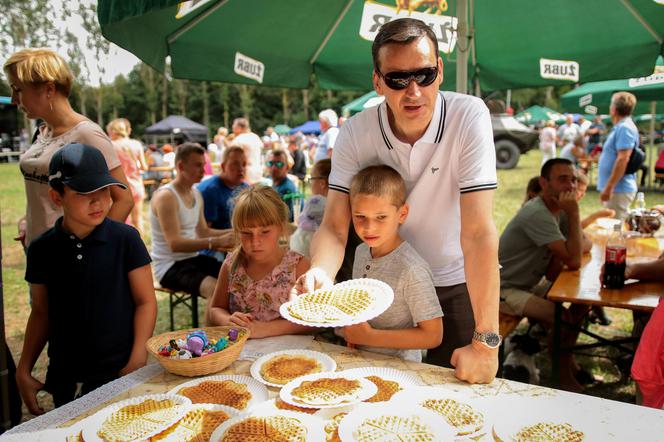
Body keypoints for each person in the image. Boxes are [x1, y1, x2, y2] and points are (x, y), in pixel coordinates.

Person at [294, 18, 500, 384]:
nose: (414, 91)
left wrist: (486, 344)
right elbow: (335, 226)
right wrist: (321, 272)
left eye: (424, 75)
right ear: (377, 81)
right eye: (397, 79)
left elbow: (479, 233)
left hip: (452, 281)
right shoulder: (356, 132)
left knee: (455, 404)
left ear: (440, 70)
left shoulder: (468, 116)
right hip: (381, 289)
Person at [18, 143, 157, 413]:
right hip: (65, 376)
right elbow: (41, 311)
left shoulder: (125, 239)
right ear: (57, 197)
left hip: (120, 371)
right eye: (84, 192)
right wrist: (24, 368)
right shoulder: (41, 249)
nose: (99, 201)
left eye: (104, 190)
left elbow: (145, 302)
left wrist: (138, 357)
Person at [3, 48, 133, 247]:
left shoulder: (87, 134)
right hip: (37, 250)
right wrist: (27, 222)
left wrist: (92, 251)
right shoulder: (42, 132)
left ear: (49, 89)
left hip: (67, 259)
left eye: (18, 89)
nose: (13, 99)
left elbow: (123, 200)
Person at [499, 158, 590, 392]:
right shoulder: (537, 213)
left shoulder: (556, 210)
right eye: (562, 180)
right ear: (544, 182)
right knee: (564, 319)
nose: (570, 186)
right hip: (503, 288)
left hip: (528, 283)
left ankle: (569, 365)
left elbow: (584, 245)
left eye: (572, 180)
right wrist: (574, 213)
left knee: (580, 307)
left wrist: (570, 225)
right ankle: (561, 377)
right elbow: (575, 259)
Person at [339, 165, 443, 362]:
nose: (369, 228)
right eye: (360, 217)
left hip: (400, 369)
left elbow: (433, 335)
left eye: (381, 217)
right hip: (358, 360)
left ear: (402, 214)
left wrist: (369, 337)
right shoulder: (361, 251)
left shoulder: (412, 269)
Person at [207, 185, 313, 338]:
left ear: (281, 227)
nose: (255, 241)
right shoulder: (231, 265)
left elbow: (313, 323)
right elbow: (215, 308)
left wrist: (264, 329)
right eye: (246, 233)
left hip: (290, 355)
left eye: (265, 232)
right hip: (244, 353)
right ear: (237, 231)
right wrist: (228, 320)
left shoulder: (299, 267)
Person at [151, 143, 234, 300]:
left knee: (236, 276)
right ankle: (217, 325)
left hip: (192, 259)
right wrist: (215, 242)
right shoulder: (166, 196)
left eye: (203, 165)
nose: (203, 171)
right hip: (169, 266)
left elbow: (203, 231)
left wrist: (235, 232)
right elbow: (174, 244)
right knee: (215, 289)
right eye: (197, 165)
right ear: (181, 166)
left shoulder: (196, 193)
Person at [598, 92, 639, 220]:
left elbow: (623, 159)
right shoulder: (622, 127)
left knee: (616, 231)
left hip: (619, 189)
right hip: (617, 188)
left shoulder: (624, 128)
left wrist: (609, 187)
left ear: (614, 109)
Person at [107, 118, 148, 234]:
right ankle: (141, 247)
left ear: (113, 131)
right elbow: (144, 167)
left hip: (118, 187)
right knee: (138, 219)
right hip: (136, 186)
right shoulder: (136, 144)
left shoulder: (111, 145)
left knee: (118, 222)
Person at [198, 145, 249, 230]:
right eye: (235, 164)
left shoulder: (245, 188)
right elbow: (204, 232)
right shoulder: (210, 190)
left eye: (244, 164)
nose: (241, 168)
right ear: (223, 166)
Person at [290, 159, 331, 258]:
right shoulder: (338, 204)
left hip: (305, 251)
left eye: (312, 179)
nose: (310, 183)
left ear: (322, 183)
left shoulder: (316, 201)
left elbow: (302, 222)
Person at [268, 149, 300, 222]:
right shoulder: (276, 183)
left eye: (279, 164)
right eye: (270, 163)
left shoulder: (287, 190)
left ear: (287, 167)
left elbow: (288, 221)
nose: (274, 168)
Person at [232, 118, 263, 184]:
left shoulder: (238, 140)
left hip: (246, 173)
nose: (232, 127)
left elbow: (236, 159)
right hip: (258, 170)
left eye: (234, 125)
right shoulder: (255, 137)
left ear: (239, 127)